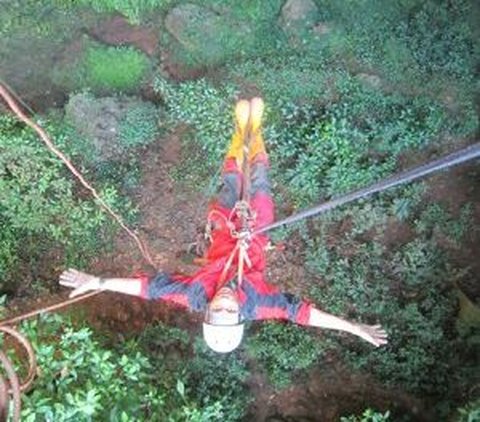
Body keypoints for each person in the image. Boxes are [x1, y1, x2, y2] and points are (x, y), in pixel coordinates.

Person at [59, 98, 388, 353]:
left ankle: (238, 128)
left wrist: (98, 280)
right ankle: (255, 130)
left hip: (224, 226)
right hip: (255, 230)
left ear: (208, 312)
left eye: (218, 311)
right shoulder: (259, 304)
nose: (225, 303)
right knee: (258, 179)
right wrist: (352, 327)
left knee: (231, 177)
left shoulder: (193, 295)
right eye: (230, 311)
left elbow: (147, 289)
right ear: (241, 315)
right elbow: (301, 313)